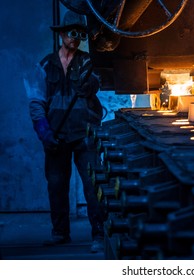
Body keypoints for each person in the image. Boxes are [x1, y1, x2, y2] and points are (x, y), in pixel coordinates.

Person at [27, 10, 105, 253]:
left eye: (81, 34)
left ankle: (99, 235)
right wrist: (44, 132)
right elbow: (36, 101)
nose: (76, 37)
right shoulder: (44, 65)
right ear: (61, 34)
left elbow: (97, 84)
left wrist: (92, 83)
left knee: (93, 187)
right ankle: (60, 233)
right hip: (57, 135)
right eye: (72, 32)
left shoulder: (89, 64)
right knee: (56, 185)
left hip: (84, 133)